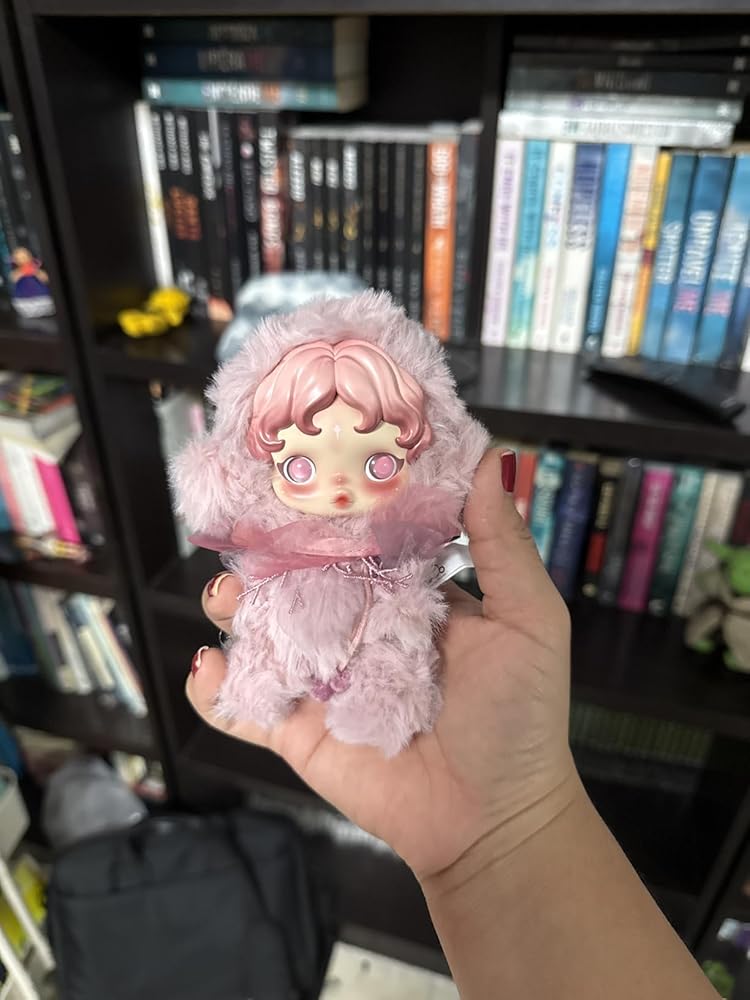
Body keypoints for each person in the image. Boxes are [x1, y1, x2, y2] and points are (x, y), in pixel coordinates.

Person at [186, 449, 719, 999]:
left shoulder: (406, 562)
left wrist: (511, 825)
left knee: (382, 646)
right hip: (327, 615)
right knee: (269, 634)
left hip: (392, 630)